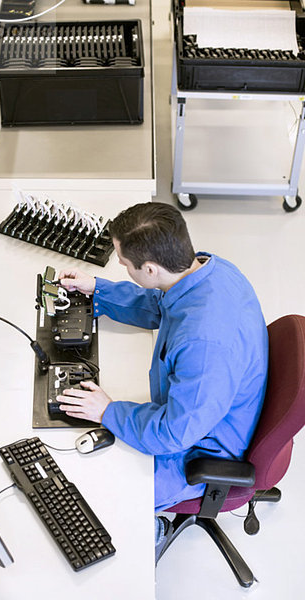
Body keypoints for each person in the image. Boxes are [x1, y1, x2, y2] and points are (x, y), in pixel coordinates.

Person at [57, 202, 268, 564]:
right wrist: (100, 291)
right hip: (202, 409)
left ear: (150, 267)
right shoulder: (208, 270)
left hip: (201, 449)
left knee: (97, 487)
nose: (121, 266)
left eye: (123, 263)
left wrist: (109, 411)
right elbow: (163, 304)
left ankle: (151, 530)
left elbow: (173, 433)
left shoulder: (204, 345)